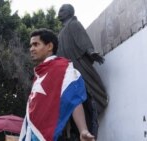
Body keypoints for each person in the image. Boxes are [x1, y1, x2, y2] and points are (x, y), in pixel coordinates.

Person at [19, 28, 95, 141]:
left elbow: (73, 98)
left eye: (36, 44)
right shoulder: (40, 74)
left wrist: (83, 129)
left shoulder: (62, 68)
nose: (31, 49)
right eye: (31, 45)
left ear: (49, 46)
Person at [57, 4, 108, 139]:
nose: (59, 12)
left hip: (79, 66)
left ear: (69, 12)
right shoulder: (60, 34)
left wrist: (91, 52)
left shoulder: (74, 24)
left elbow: (83, 40)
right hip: (68, 73)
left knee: (92, 95)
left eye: (62, 10)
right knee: (77, 103)